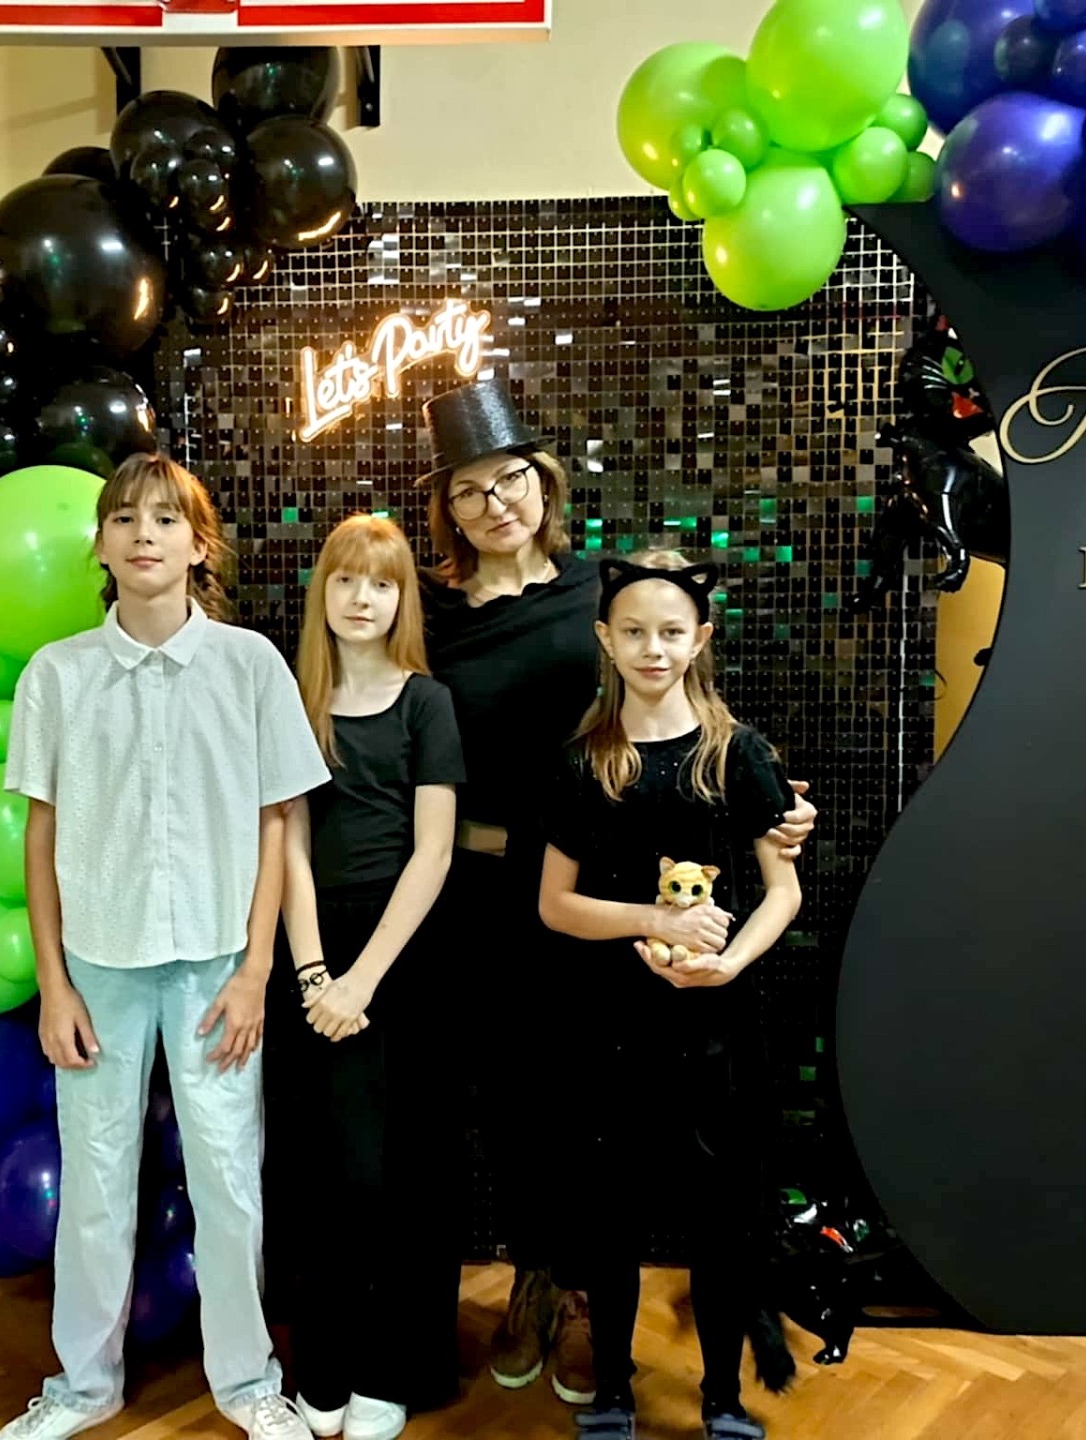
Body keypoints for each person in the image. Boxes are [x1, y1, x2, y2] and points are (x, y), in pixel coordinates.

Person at [414, 377, 819, 1406]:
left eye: (510, 479)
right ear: (447, 509)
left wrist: (772, 807)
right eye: (468, 490)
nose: (494, 504)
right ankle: (536, 1279)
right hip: (478, 887)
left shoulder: (601, 592)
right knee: (507, 1100)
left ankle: (598, 1296)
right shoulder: (432, 614)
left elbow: (685, 700)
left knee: (591, 1108)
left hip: (600, 895)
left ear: (543, 483)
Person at [0, 453, 331, 1440]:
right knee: (97, 1178)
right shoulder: (58, 674)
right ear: (100, 544)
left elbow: (277, 823)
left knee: (230, 1176)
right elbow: (41, 836)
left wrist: (258, 972)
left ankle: (248, 1383)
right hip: (98, 965)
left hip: (219, 966)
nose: (144, 534)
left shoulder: (250, 666)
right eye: (125, 519)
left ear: (198, 545)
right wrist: (54, 983)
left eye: (165, 519)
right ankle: (82, 1384)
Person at [538, 550, 804, 1440]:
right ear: (606, 639)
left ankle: (722, 1397)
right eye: (635, 633)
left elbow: (783, 892)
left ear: (700, 640)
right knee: (610, 1221)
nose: (653, 649)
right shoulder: (584, 762)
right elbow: (556, 905)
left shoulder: (739, 755)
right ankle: (612, 1392)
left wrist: (728, 964)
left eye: (670, 633)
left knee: (722, 1223)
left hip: (717, 1029)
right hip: (610, 1029)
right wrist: (651, 919)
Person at [276, 514, 466, 1440]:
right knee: (324, 1174)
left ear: (403, 601)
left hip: (405, 953)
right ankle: (324, 1364)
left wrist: (360, 982)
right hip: (313, 954)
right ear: (323, 592)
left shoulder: (427, 703)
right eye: (347, 580)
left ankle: (393, 1367)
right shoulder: (293, 703)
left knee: (399, 1174)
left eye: (382, 584)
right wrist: (315, 973)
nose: (362, 598)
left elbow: (434, 853)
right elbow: (288, 845)